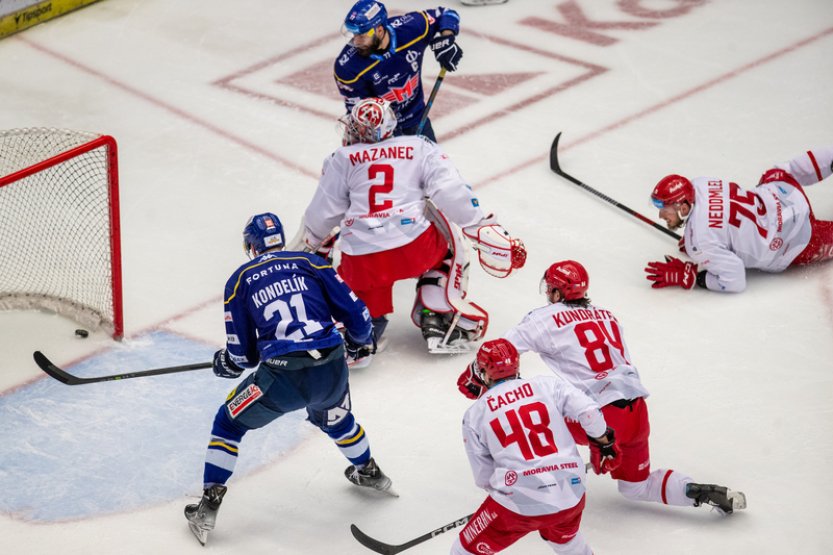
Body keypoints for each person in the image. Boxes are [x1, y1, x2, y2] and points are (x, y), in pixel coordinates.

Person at [467, 260, 746, 516]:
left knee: (530, 408)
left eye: (549, 289)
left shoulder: (544, 318)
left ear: (555, 292)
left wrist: (472, 376)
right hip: (637, 413)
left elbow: (502, 352)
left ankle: (531, 479)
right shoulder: (607, 315)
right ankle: (698, 492)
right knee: (635, 487)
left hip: (600, 414)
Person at [184, 212, 393, 546]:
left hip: (281, 377)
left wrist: (226, 362)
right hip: (331, 367)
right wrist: (358, 339)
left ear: (249, 245)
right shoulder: (310, 262)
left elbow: (243, 357)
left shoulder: (240, 279)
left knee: (228, 424)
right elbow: (358, 314)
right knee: (338, 421)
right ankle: (369, 471)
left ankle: (208, 507)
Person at [291, 97, 526, 363]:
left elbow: (323, 213)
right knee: (444, 230)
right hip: (415, 249)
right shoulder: (419, 147)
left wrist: (302, 249)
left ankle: (362, 336)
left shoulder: (341, 158)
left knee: (347, 254)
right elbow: (450, 192)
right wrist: (478, 225)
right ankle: (437, 313)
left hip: (362, 260)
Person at [452, 338, 621, 555]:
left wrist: (506, 500)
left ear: (484, 371)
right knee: (567, 543)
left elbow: (483, 477)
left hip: (516, 502)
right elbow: (589, 413)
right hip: (571, 492)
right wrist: (605, 444)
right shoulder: (547, 385)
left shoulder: (475, 414)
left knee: (462, 551)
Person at [645, 146, 833, 292]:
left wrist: (695, 276)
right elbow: (719, 218)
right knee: (782, 170)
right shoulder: (700, 183)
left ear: (684, 207)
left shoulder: (701, 242)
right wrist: (701, 241)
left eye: (664, 209)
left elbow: (735, 280)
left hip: (793, 238)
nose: (661, 215)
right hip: (783, 193)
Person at [335, 0, 464, 142]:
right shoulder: (347, 66)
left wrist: (446, 38)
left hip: (417, 120)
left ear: (379, 30)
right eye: (354, 35)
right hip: (380, 133)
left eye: (362, 36)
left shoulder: (411, 28)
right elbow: (360, 111)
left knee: (434, 164)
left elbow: (445, 13)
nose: (356, 42)